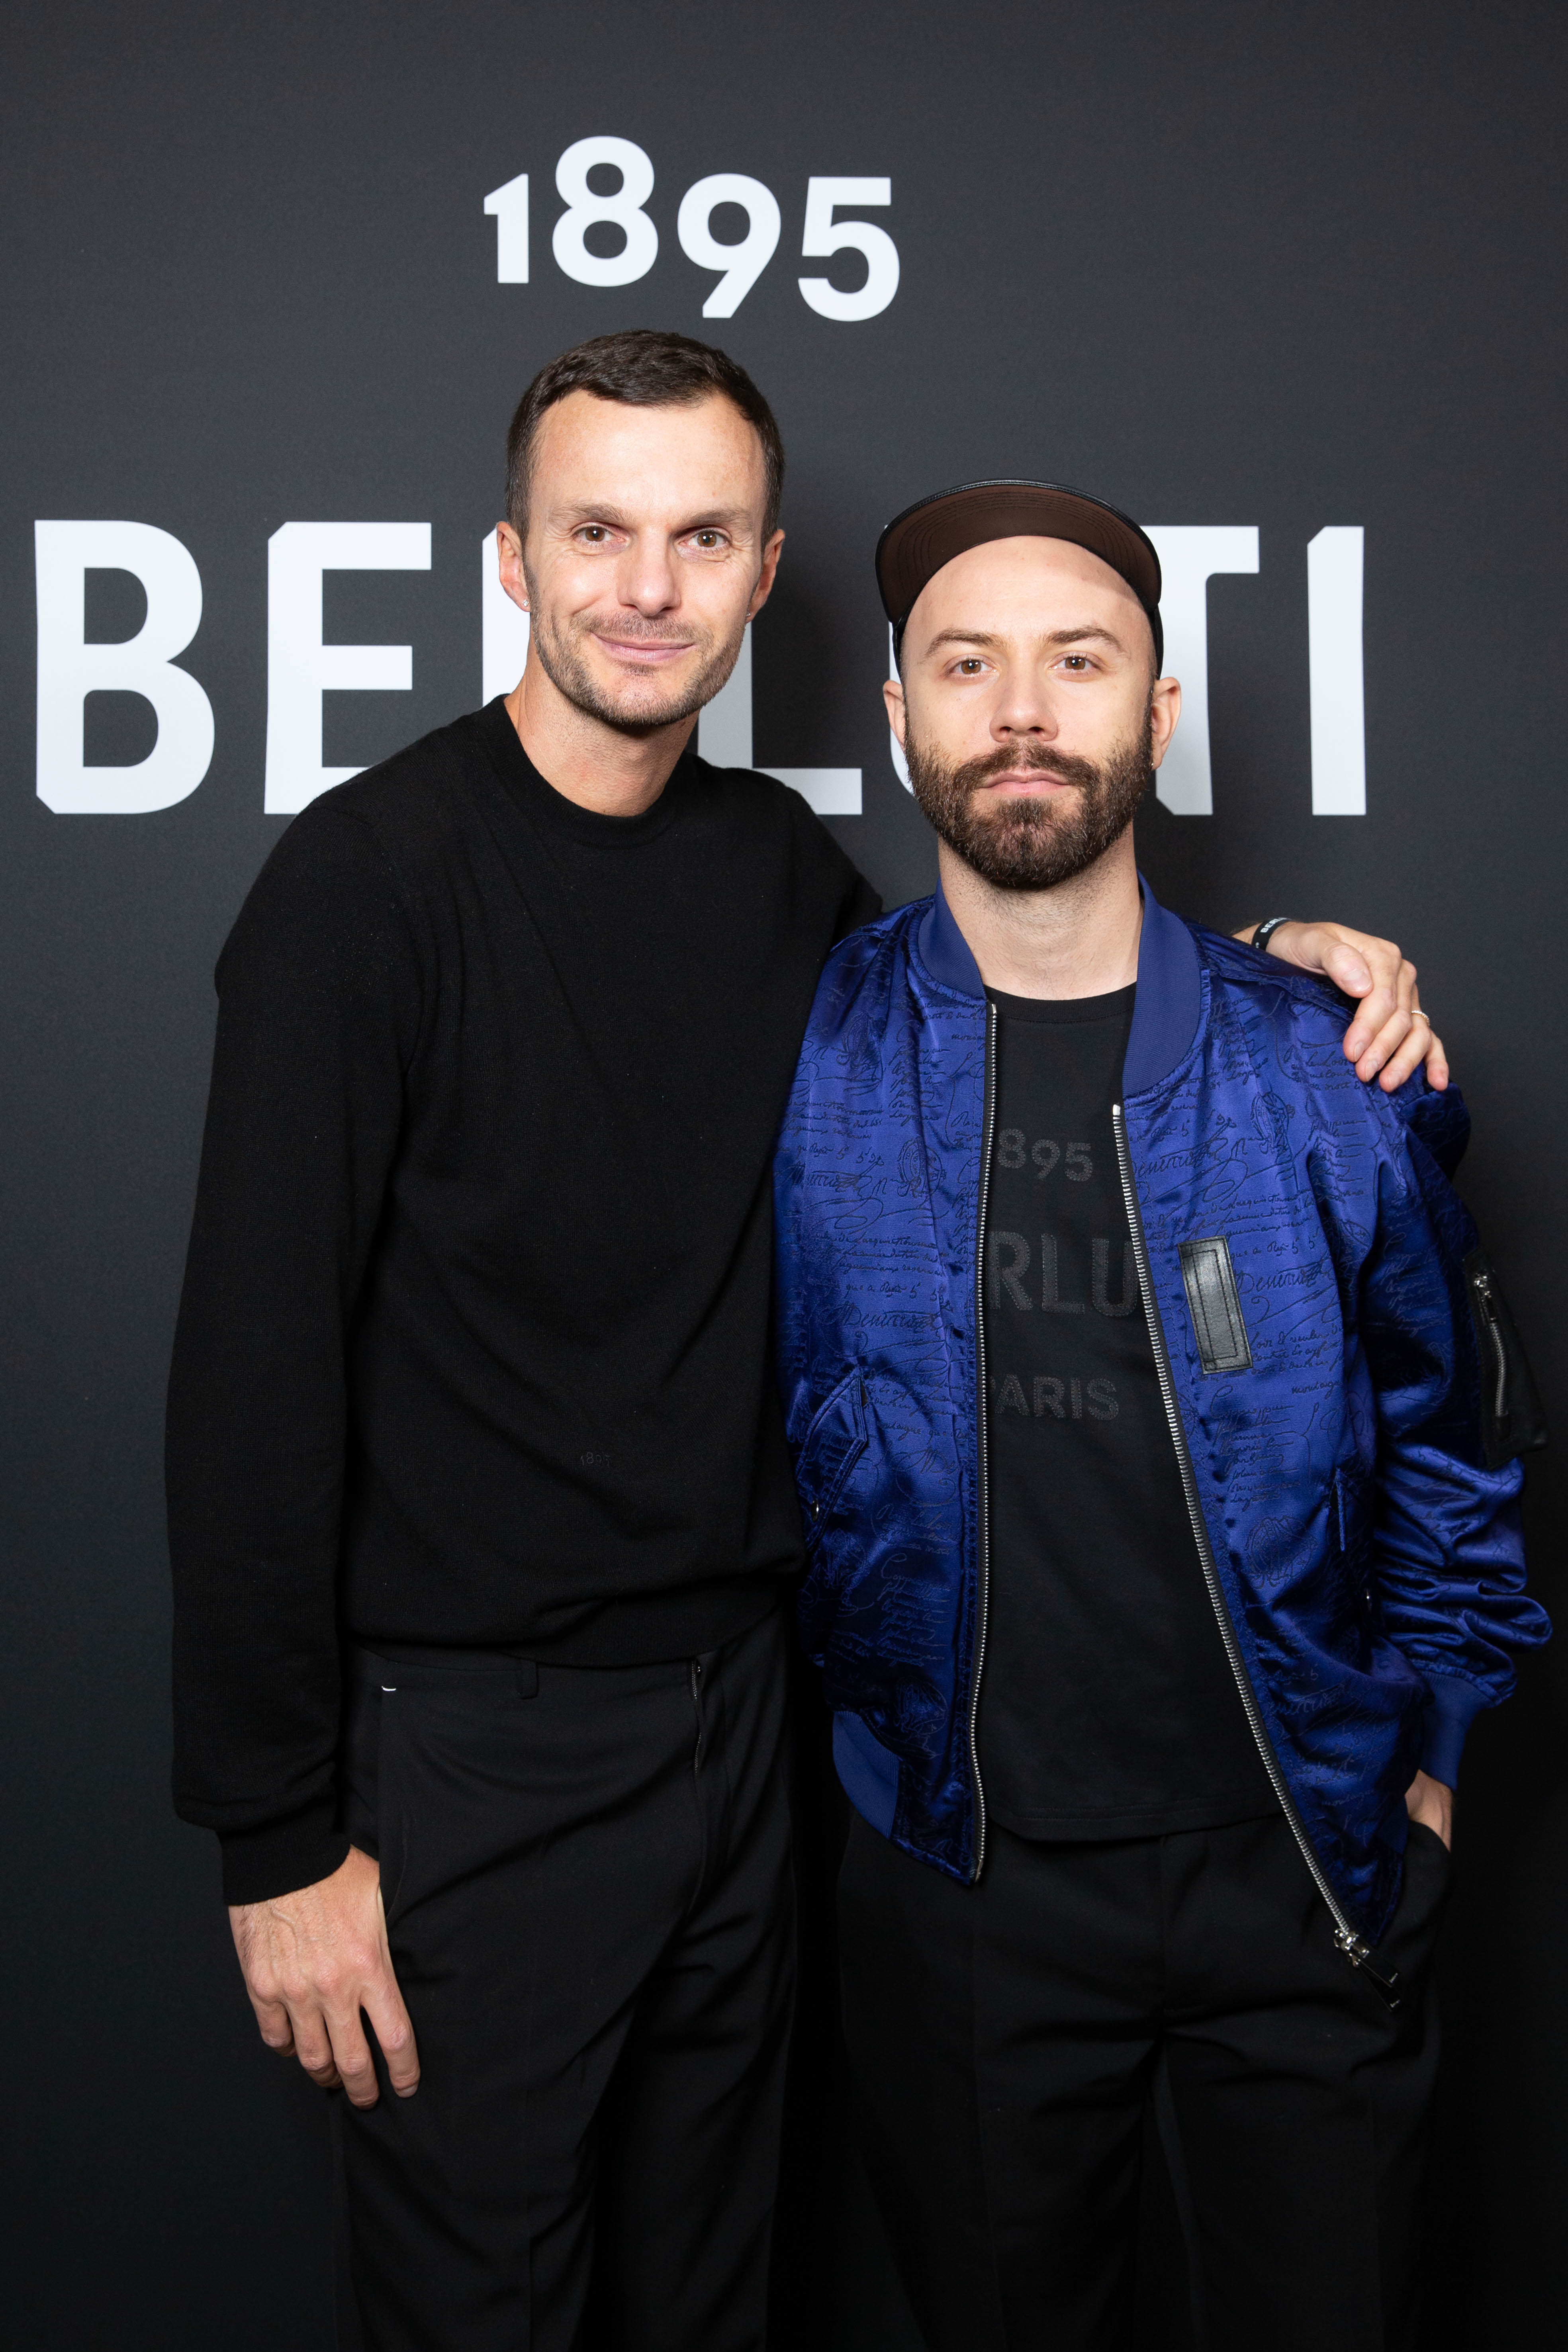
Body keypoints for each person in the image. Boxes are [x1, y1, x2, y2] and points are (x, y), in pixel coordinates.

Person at [167, 333, 1447, 2352]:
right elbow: (249, 1381)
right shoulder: (364, 884)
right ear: (510, 558)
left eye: (702, 538)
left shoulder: (777, 873)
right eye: (597, 532)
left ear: (766, 574)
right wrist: (275, 1835)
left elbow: (1029, 958)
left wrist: (1289, 971)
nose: (645, 587)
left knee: (715, 2299)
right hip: (472, 1754)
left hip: (754, 1746)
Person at [772, 480, 1550, 2352]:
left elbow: (1453, 1439)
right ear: (898, 714)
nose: (1022, 711)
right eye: (968, 665)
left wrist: (1431, 1762)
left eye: (1078, 661)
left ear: (1159, 711)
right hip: (963, 1885)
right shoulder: (799, 1038)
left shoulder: (1325, 1063)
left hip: (1302, 1865)